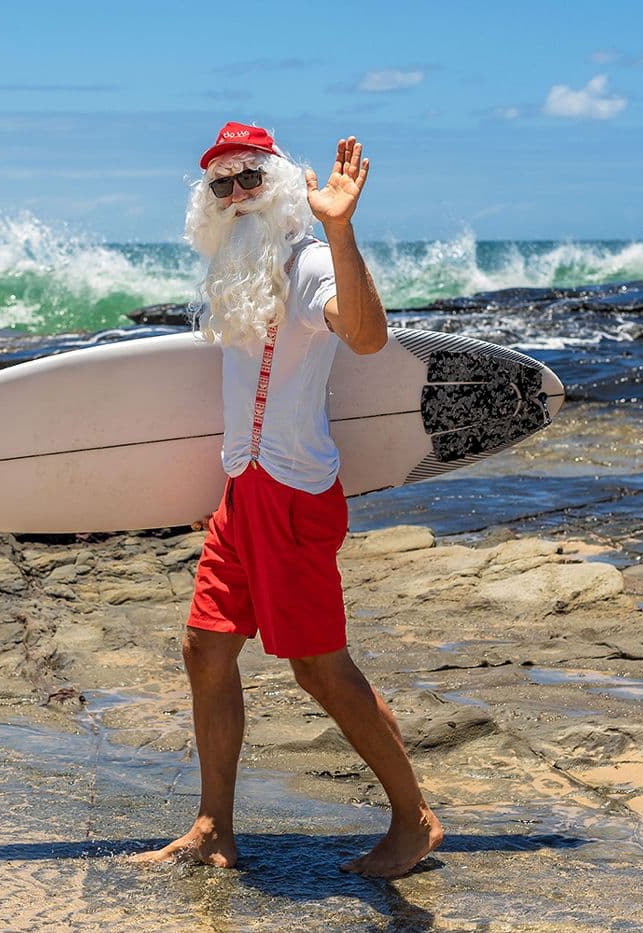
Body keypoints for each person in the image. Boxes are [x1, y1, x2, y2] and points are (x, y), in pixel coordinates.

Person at [132, 122, 443, 879]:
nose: (237, 196)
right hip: (243, 489)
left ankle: (415, 819)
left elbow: (367, 338)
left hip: (295, 495)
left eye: (249, 180)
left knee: (319, 669)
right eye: (222, 185)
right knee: (205, 645)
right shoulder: (238, 268)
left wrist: (341, 230)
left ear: (276, 182)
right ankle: (213, 825)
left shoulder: (309, 264)